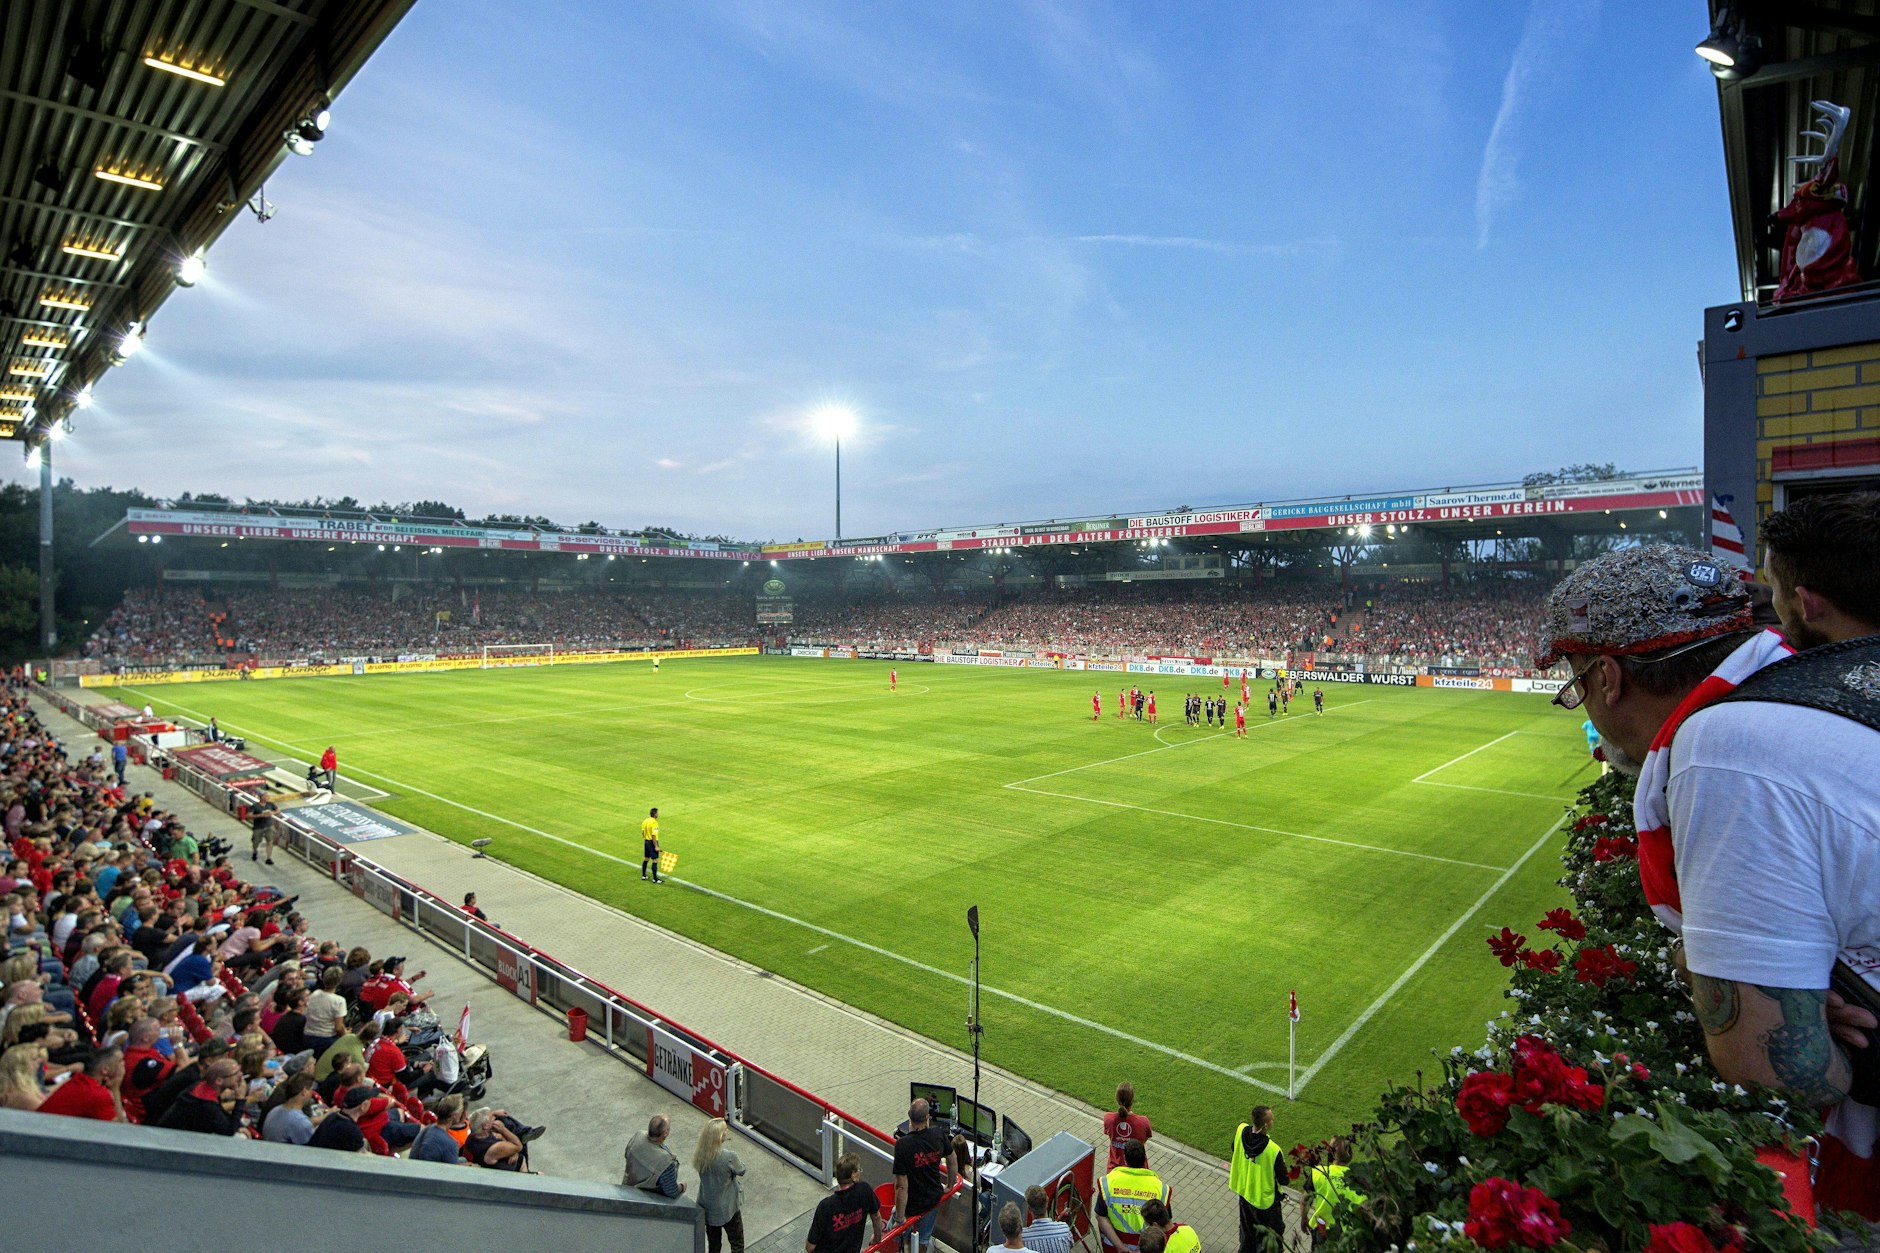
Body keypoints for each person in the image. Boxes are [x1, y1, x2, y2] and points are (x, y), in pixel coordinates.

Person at [1534, 541, 1880, 1215]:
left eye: (1576, 684)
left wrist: (1795, 1023)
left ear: (1608, 677)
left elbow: (1780, 1071)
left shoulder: (1726, 749)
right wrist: (1788, 991)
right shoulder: (1811, 682)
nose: (1587, 708)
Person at [892, 1097, 953, 1253]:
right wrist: (950, 1185)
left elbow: (901, 1185)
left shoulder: (902, 1145)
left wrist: (899, 1218)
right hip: (932, 1199)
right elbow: (952, 1159)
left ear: (909, 1117)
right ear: (927, 1117)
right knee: (923, 1238)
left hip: (911, 1205)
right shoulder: (938, 1134)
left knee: (895, 1234)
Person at [1229, 1105, 1287, 1252]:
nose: (1273, 1121)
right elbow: (1284, 1179)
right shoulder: (1273, 1150)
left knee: (1247, 1235)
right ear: (1266, 1125)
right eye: (1272, 1119)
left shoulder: (1241, 1131)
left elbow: (1233, 1147)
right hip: (1265, 1203)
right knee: (1270, 1240)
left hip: (1244, 1194)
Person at [1094, 1138, 1167, 1253]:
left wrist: (1120, 1247)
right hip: (1148, 1249)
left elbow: (1100, 1216)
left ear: (1124, 1159)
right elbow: (1165, 1225)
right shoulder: (1160, 1188)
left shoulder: (1108, 1182)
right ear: (1144, 1159)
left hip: (1113, 1247)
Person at [806, 1151, 880, 1253]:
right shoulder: (864, 1191)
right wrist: (877, 1238)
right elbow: (876, 1216)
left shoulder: (826, 1206)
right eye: (859, 1170)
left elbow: (810, 1247)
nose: (860, 1172)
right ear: (853, 1175)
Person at [694, 1116, 748, 1253]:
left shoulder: (700, 1155)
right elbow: (741, 1170)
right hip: (728, 1208)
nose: (727, 1131)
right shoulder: (728, 1157)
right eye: (725, 1130)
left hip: (708, 1208)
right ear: (720, 1136)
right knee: (737, 1243)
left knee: (714, 1245)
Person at [1300, 1137, 1364, 1245]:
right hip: (1347, 1237)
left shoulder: (1318, 1173)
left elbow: (1304, 1200)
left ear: (1331, 1153)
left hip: (1322, 1231)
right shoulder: (1359, 1180)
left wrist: (1304, 1218)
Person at [38, 1046, 125, 1122]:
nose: (124, 1064)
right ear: (105, 1069)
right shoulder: (96, 1094)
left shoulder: (79, 1079)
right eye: (120, 1061)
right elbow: (118, 1130)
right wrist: (115, 1088)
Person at [624, 1113, 687, 1197]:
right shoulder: (665, 1161)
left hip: (627, 1188)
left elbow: (626, 1155)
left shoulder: (638, 1136)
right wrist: (682, 1187)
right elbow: (671, 1192)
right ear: (665, 1133)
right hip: (643, 1199)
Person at [1102, 1081, 1151, 1171]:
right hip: (1139, 1170)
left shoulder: (1108, 1119)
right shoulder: (1143, 1122)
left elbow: (1109, 1134)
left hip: (1115, 1170)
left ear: (1116, 1099)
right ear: (1132, 1100)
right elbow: (1145, 1139)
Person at [1020, 1184, 1074, 1253]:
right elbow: (1070, 1245)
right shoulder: (1064, 1229)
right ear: (1047, 1201)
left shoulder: (1022, 1238)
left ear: (1029, 1209)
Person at [641, 807, 664, 884]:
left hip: (646, 841)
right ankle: (655, 879)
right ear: (655, 814)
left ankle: (644, 875)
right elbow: (654, 835)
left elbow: (643, 832)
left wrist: (646, 839)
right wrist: (656, 846)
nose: (658, 814)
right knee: (655, 860)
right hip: (652, 842)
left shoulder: (645, 821)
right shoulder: (654, 823)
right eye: (657, 813)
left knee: (646, 859)